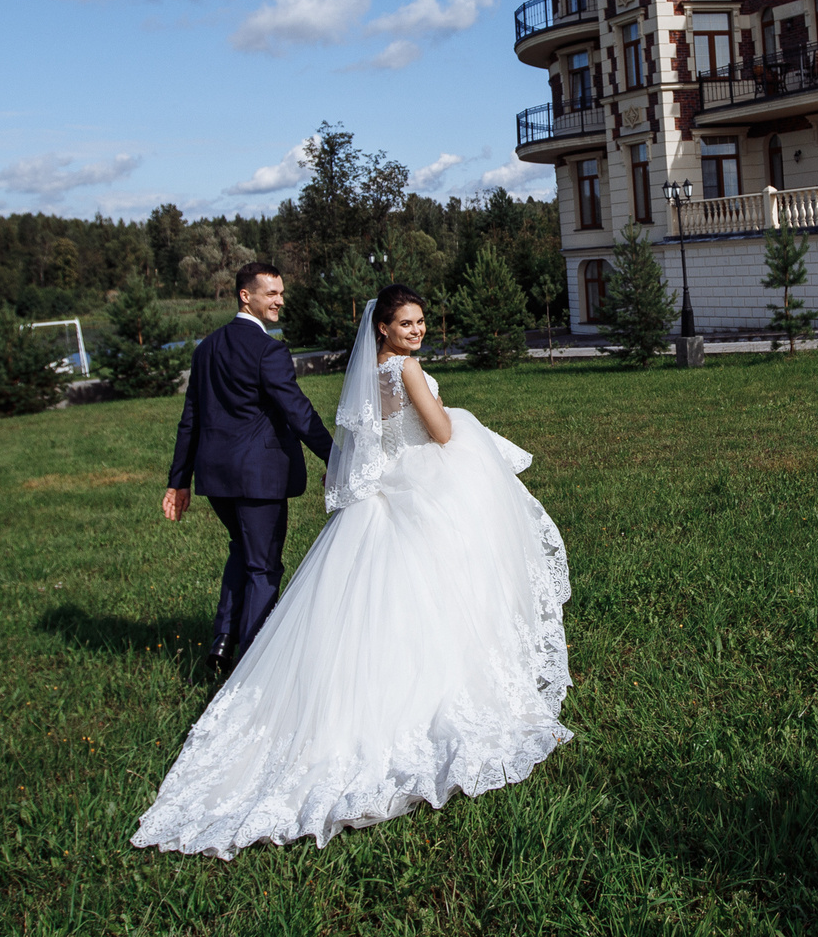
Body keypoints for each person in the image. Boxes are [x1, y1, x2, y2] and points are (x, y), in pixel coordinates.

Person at [133, 285, 572, 854]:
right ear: (383, 328)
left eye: (420, 322)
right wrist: (464, 422)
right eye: (406, 323)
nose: (417, 331)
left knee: (366, 609)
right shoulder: (407, 371)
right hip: (417, 488)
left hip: (378, 495)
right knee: (445, 592)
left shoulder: (371, 373)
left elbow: (363, 442)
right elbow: (439, 433)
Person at [164, 263, 334, 682]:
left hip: (216, 476)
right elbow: (297, 409)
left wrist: (178, 481)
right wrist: (336, 456)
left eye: (281, 293)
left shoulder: (206, 348)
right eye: (271, 293)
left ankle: (223, 641)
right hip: (258, 477)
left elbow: (191, 420)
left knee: (241, 550)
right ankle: (253, 661)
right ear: (246, 296)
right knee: (263, 567)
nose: (279, 300)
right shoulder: (267, 350)